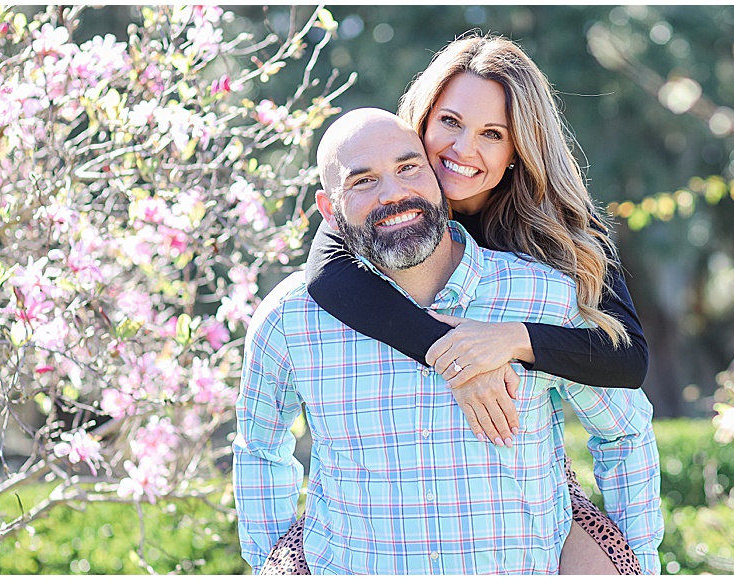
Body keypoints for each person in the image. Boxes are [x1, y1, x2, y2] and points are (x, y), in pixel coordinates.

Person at [233, 108, 663, 575]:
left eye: (407, 168)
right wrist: (268, 562)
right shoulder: (289, 318)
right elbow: (260, 448)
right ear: (329, 209)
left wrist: (640, 559)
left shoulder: (542, 294)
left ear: (437, 176)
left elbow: (624, 431)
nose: (393, 194)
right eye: (362, 182)